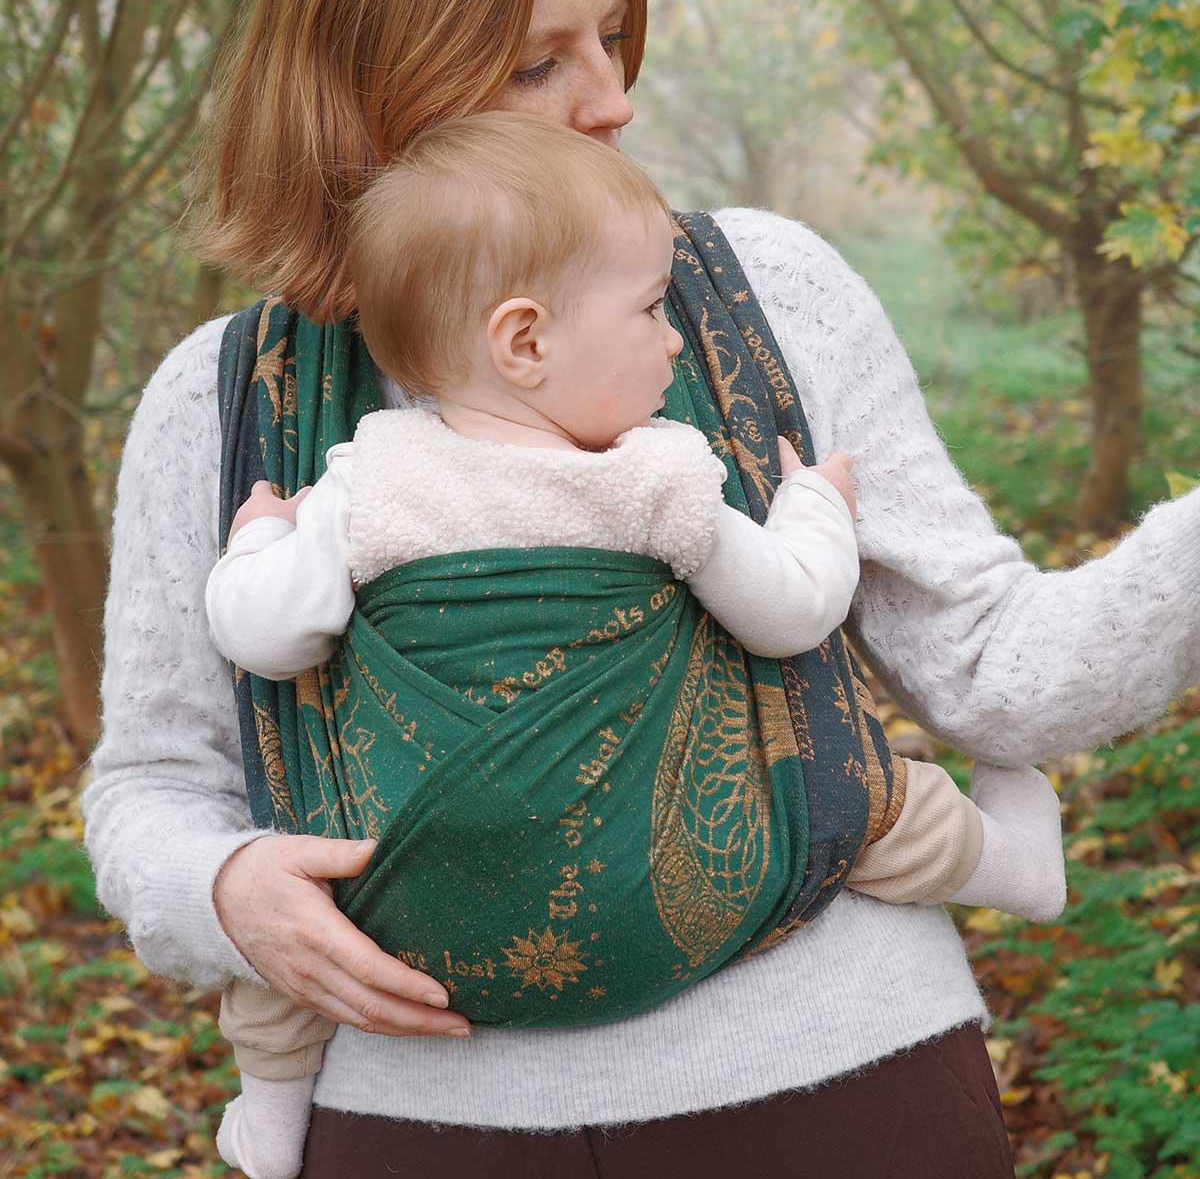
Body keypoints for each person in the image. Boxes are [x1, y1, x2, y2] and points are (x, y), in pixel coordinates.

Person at [80, 0, 1200, 1179]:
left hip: (846, 1089)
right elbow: (154, 782)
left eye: (614, 35)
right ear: (366, 91)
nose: (611, 98)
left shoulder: (758, 296)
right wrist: (223, 890)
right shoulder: (226, 399)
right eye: (540, 60)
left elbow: (993, 669)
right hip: (417, 1126)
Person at [202, 113, 1065, 1179]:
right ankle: (1013, 861)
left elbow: (264, 636)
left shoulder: (366, 478)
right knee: (873, 796)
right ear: (525, 341)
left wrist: (259, 535)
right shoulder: (652, 474)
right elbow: (792, 609)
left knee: (281, 929)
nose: (673, 336)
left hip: (418, 917)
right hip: (672, 898)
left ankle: (272, 1119)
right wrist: (817, 505)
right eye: (652, 307)